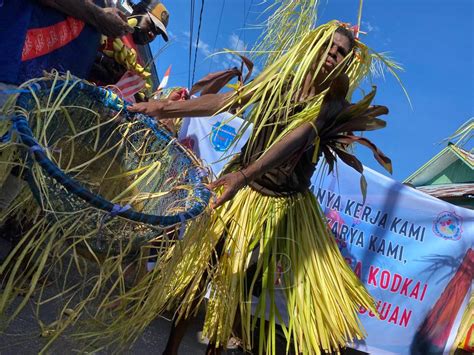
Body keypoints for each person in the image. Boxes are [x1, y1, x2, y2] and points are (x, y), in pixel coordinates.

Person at [107, 21, 392, 355]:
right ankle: (170, 350)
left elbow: (297, 136)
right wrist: (162, 107)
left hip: (275, 205)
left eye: (341, 52)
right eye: (329, 45)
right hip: (237, 188)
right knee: (197, 276)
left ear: (346, 62)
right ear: (314, 44)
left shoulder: (332, 106)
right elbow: (228, 102)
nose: (332, 54)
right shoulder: (282, 82)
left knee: (235, 288)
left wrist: (244, 177)